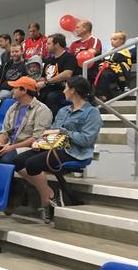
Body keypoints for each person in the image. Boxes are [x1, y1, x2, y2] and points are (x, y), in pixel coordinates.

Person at [13, 76, 103, 222]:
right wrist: (41, 141)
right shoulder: (64, 111)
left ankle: (47, 201)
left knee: (32, 164)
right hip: (54, 145)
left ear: (73, 90)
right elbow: (53, 131)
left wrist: (64, 132)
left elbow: (87, 140)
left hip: (74, 151)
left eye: (66, 87)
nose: (64, 90)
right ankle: (50, 195)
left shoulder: (92, 112)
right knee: (17, 161)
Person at [0, 77, 53, 166]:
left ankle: (6, 179)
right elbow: (5, 130)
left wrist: (12, 147)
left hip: (28, 147)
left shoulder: (42, 110)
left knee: (5, 161)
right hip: (10, 144)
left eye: (15, 88)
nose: (12, 90)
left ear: (24, 90)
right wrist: (0, 144)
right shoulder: (13, 108)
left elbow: (37, 138)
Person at [38, 33, 78, 116]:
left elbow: (67, 74)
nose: (46, 46)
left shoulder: (69, 57)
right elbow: (43, 77)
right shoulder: (48, 60)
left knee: (51, 97)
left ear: (57, 45)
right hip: (48, 88)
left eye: (49, 44)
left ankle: (55, 123)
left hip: (64, 89)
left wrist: (46, 82)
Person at [95, 31, 133, 100]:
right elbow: (105, 60)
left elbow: (118, 61)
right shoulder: (111, 51)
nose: (112, 41)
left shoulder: (124, 51)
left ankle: (106, 95)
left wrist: (107, 64)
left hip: (120, 72)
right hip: (110, 69)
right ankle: (98, 94)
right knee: (96, 71)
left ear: (122, 40)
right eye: (111, 39)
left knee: (105, 74)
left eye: (115, 39)